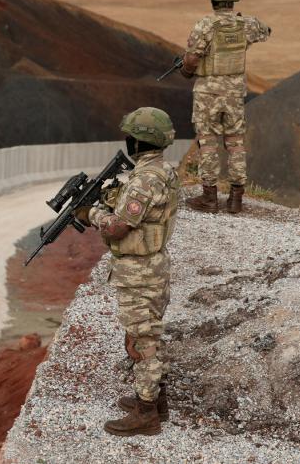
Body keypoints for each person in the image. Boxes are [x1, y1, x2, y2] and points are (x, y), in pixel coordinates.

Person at [75, 107, 180, 436]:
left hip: (139, 272)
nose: (128, 141)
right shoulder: (163, 171)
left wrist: (90, 214)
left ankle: (146, 413)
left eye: (131, 136)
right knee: (151, 333)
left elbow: (119, 226)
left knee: (142, 340)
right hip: (154, 266)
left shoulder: (146, 178)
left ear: (139, 141)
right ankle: (155, 401)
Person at [181, 0, 271, 213]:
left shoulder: (205, 25)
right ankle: (236, 199)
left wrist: (186, 71)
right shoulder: (247, 24)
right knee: (236, 144)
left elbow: (191, 58)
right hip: (235, 95)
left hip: (207, 95)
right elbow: (266, 31)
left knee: (208, 143)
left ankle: (209, 199)